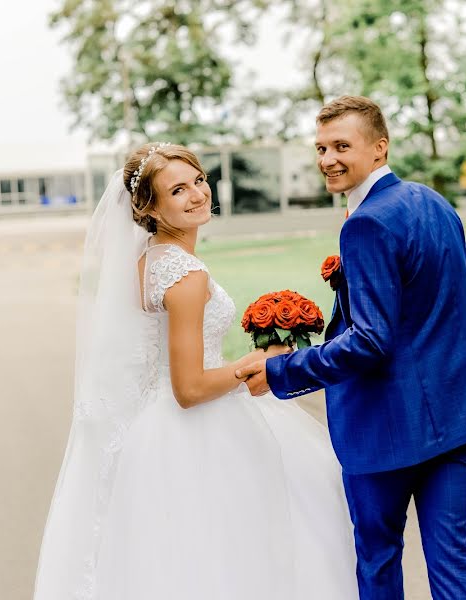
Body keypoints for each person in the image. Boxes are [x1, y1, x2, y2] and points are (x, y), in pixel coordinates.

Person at [33, 142, 358, 600]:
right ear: (149, 206)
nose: (197, 194)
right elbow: (188, 387)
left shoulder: (146, 262)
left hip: (151, 421)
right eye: (178, 190)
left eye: (199, 181)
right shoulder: (184, 274)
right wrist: (257, 363)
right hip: (194, 424)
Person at [238, 95, 466, 600]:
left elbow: (370, 341)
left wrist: (283, 370)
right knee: (454, 559)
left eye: (342, 146)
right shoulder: (433, 202)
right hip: (457, 416)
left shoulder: (365, 224)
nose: (327, 159)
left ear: (379, 149)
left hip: (384, 429)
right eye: (320, 148)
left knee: (378, 560)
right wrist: (452, 377)